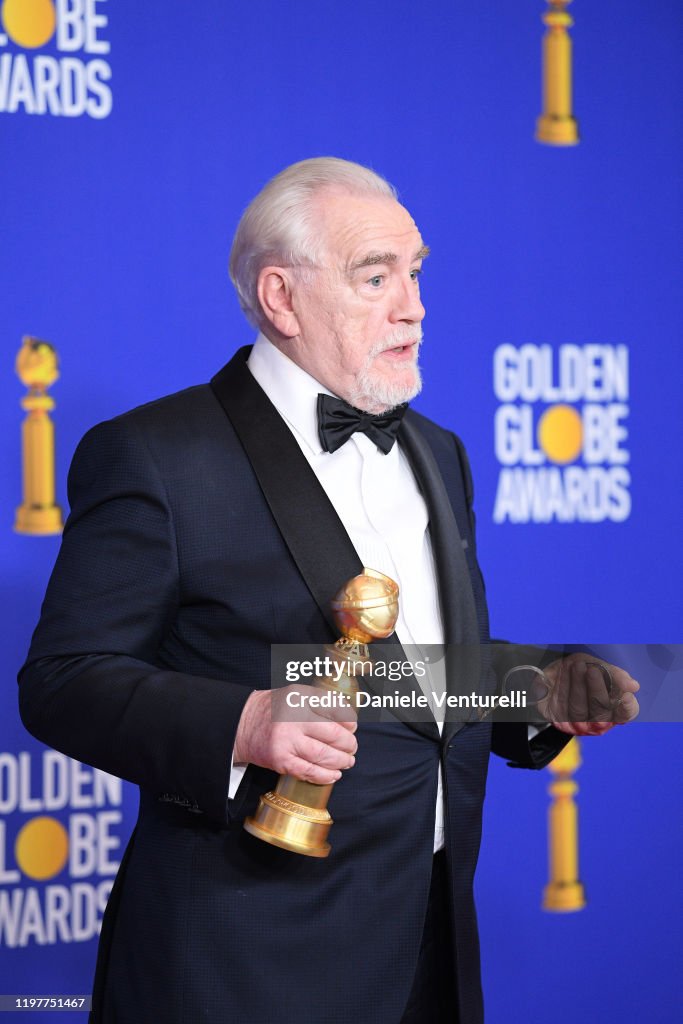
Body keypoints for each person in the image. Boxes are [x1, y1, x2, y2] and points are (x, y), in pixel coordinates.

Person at [18, 157, 639, 1024]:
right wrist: (244, 723)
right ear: (281, 297)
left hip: (430, 949)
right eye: (374, 277)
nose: (413, 305)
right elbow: (63, 680)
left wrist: (534, 688)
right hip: (241, 966)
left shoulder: (439, 450)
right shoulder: (158, 454)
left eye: (415, 273)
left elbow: (416, 674)